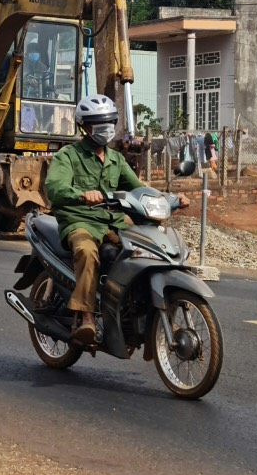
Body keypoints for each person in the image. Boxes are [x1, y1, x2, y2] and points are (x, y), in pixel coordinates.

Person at [42, 94, 184, 347]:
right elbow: (55, 188)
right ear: (84, 127)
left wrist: (171, 198)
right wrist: (82, 195)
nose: (105, 129)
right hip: (80, 221)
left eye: (109, 122)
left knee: (145, 249)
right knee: (87, 252)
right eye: (98, 123)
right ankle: (86, 318)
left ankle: (133, 305)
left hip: (112, 222)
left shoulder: (116, 160)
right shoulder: (68, 156)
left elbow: (140, 188)